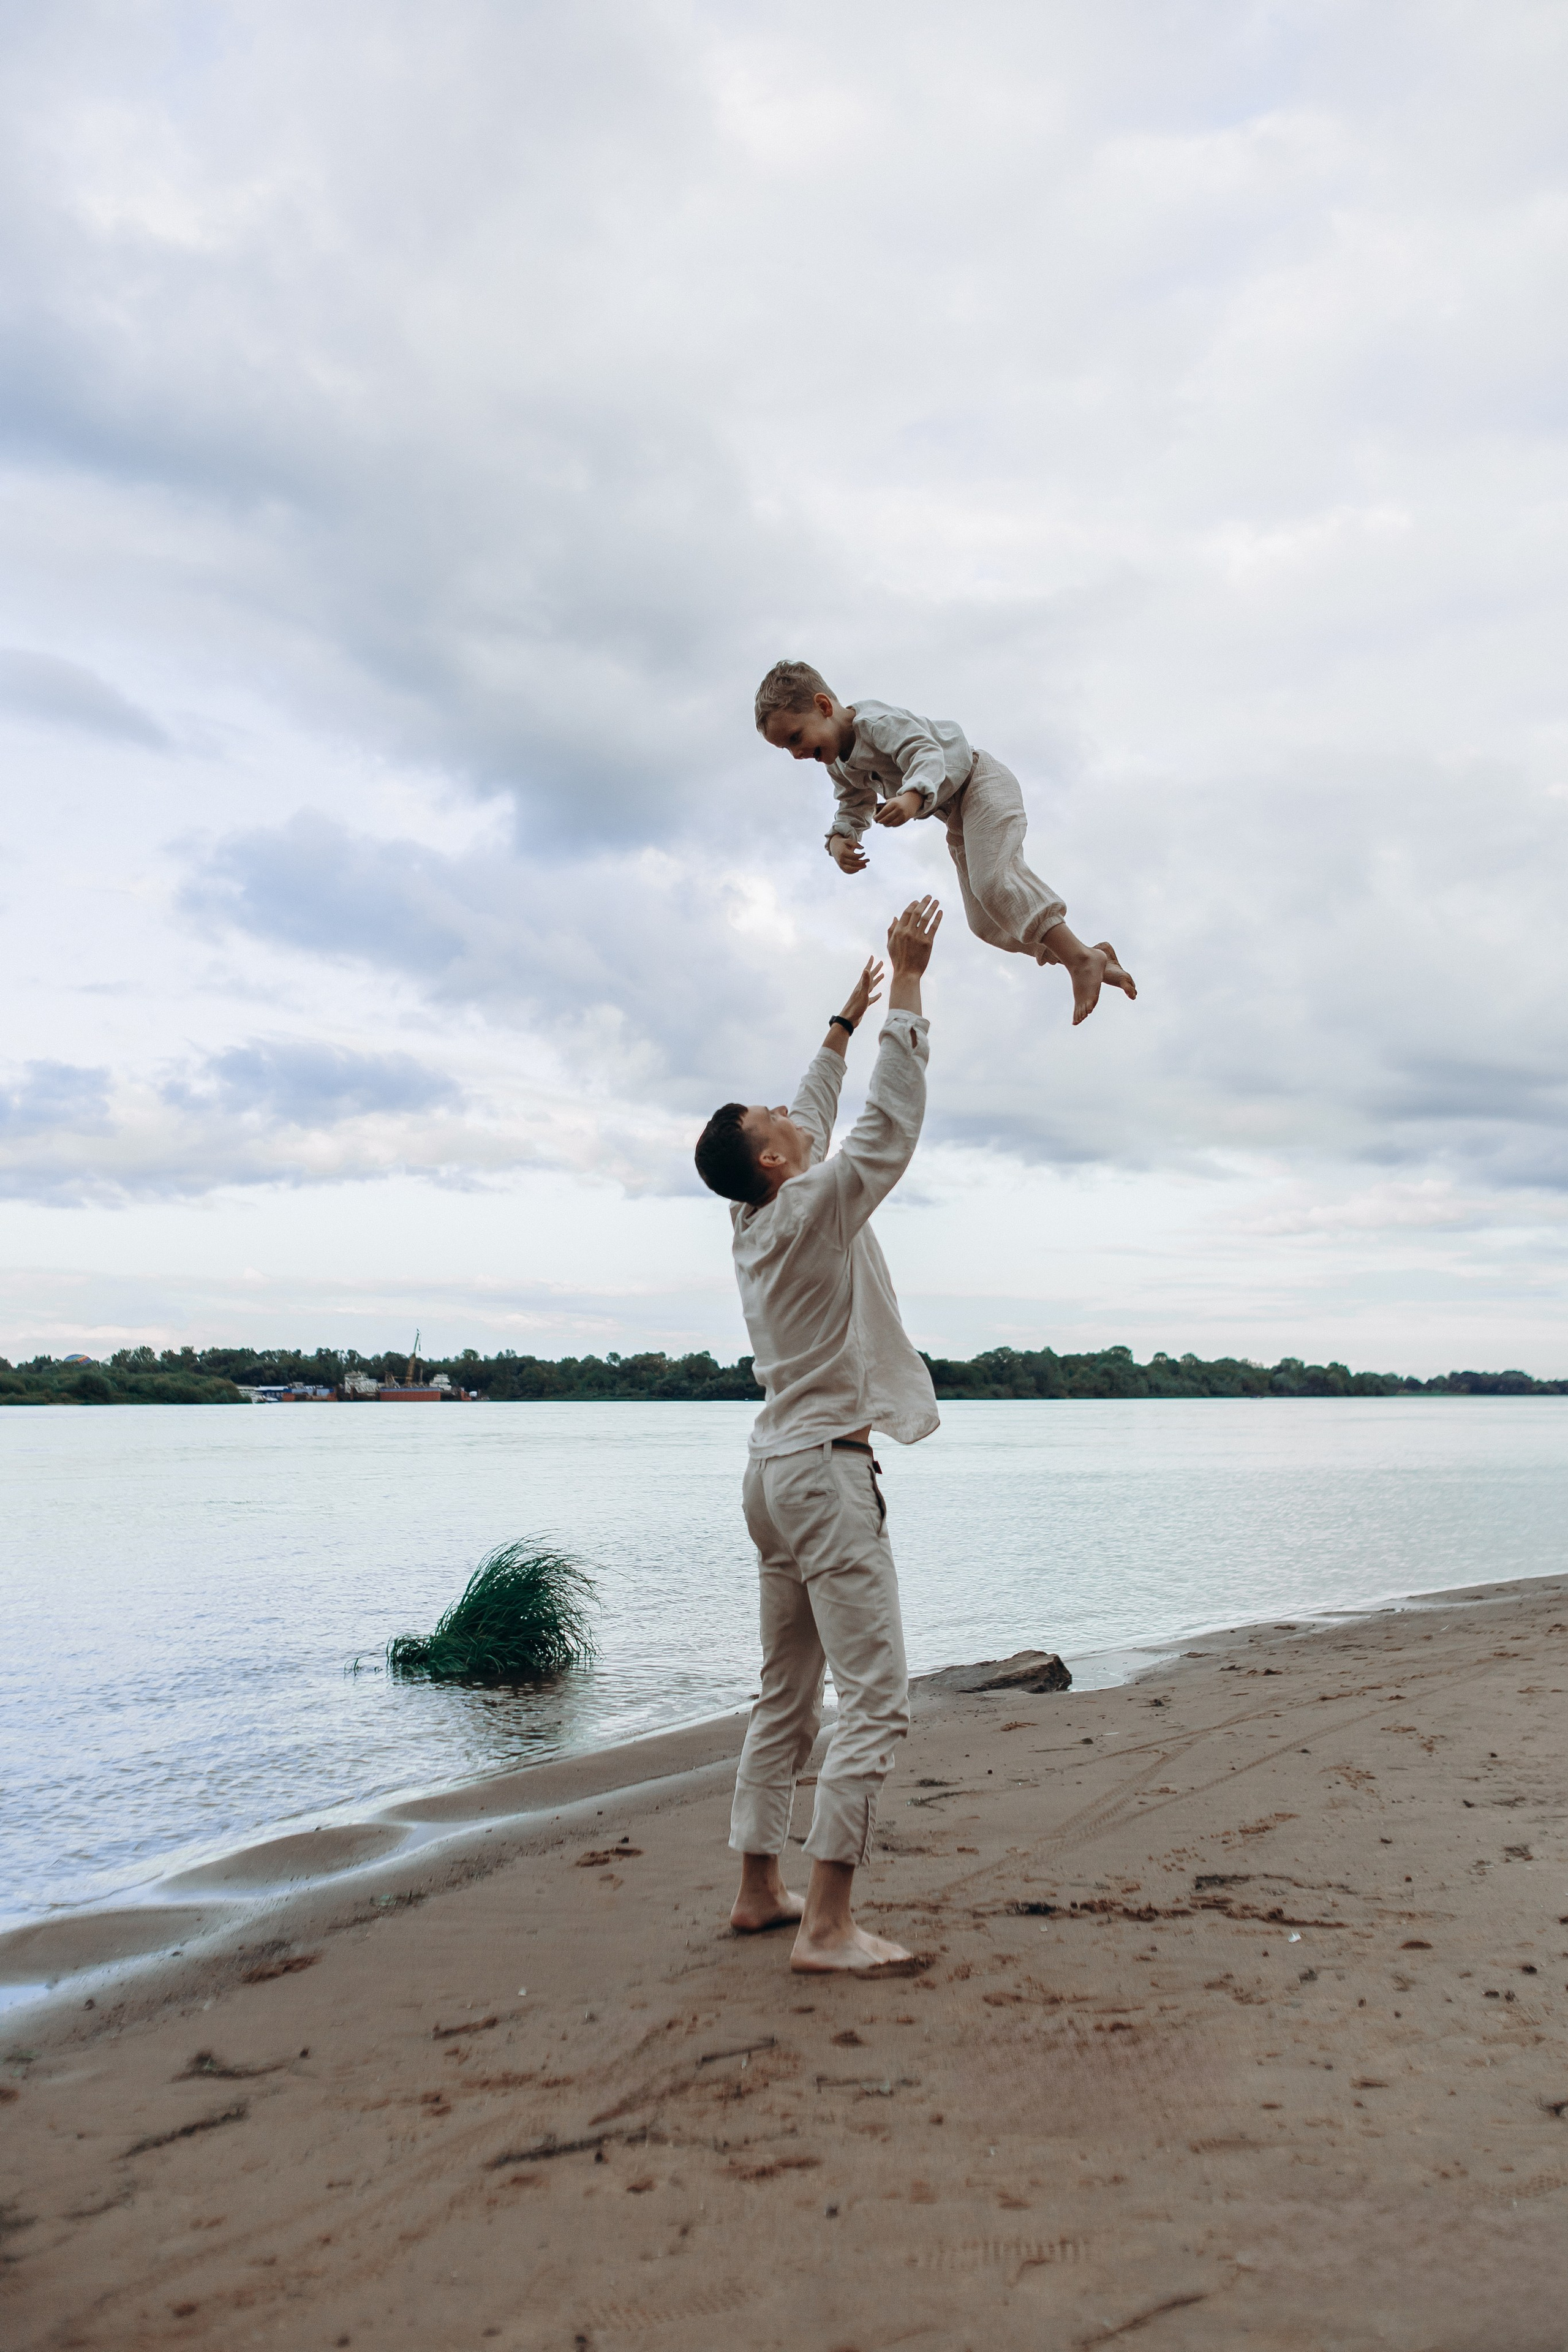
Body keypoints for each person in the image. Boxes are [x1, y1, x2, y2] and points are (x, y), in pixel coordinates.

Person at [693, 895, 944, 1972]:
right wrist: (912, 990)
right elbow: (884, 1128)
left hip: (769, 1478)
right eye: (780, 1124)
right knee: (876, 1701)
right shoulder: (812, 1207)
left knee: (785, 1690)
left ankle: (760, 1888)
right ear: (783, 1164)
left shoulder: (753, 1210)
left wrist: (840, 1024)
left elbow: (810, 1111)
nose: (794, 1117)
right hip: (824, 1479)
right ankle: (830, 1925)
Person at [755, 658, 1136, 1027]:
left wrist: (912, 797)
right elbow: (853, 803)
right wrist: (841, 838)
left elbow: (925, 752)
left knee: (993, 882)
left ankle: (1079, 960)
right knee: (984, 922)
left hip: (981, 783)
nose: (797, 753)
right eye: (786, 749)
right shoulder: (838, 762)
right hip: (956, 815)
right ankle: (1088, 955)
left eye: (795, 738)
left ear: (823, 707)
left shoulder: (876, 723)